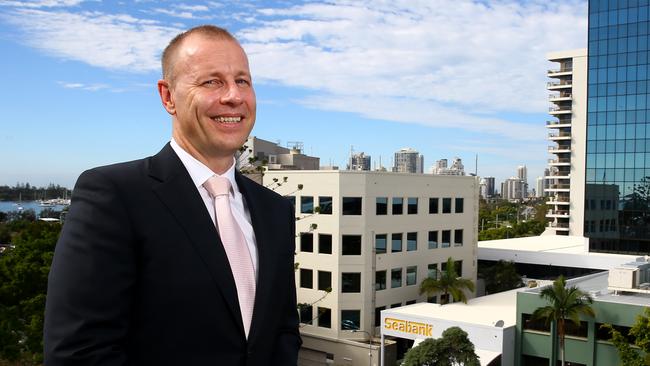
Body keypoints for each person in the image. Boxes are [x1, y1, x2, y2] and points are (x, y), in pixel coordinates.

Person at [44, 25, 301, 365]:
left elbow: (283, 331)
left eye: (242, 81)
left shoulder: (274, 210)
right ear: (168, 96)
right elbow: (78, 353)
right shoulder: (114, 196)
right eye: (212, 81)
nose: (234, 96)